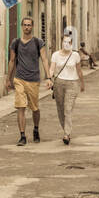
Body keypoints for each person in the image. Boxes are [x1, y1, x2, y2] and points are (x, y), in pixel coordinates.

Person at [7, 17, 50, 145]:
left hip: (33, 80)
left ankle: (36, 129)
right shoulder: (16, 43)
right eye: (25, 25)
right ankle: (22, 136)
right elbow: (12, 61)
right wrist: (8, 79)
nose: (27, 27)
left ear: (32, 26)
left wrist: (48, 77)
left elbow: (44, 59)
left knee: (35, 108)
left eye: (29, 25)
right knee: (21, 107)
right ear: (22, 26)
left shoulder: (38, 42)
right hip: (19, 79)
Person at [48, 28, 86, 144]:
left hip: (72, 84)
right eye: (64, 42)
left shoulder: (75, 55)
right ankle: (66, 130)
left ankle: (66, 134)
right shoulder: (55, 55)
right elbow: (52, 68)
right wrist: (49, 79)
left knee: (67, 109)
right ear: (61, 43)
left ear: (71, 44)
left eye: (69, 42)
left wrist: (82, 83)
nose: (66, 44)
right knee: (60, 109)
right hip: (59, 83)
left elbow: (79, 71)